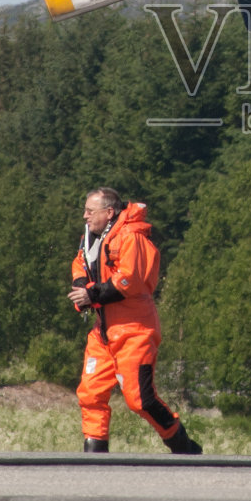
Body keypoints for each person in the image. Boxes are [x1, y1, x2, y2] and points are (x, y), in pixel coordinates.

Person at [69, 188, 202, 454]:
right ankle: (94, 458)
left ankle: (184, 447)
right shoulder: (92, 238)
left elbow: (129, 280)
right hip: (103, 331)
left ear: (108, 213)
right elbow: (80, 264)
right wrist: (81, 287)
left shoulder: (131, 237)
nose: (84, 216)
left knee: (140, 399)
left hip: (135, 330)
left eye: (89, 211)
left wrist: (91, 294)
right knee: (90, 394)